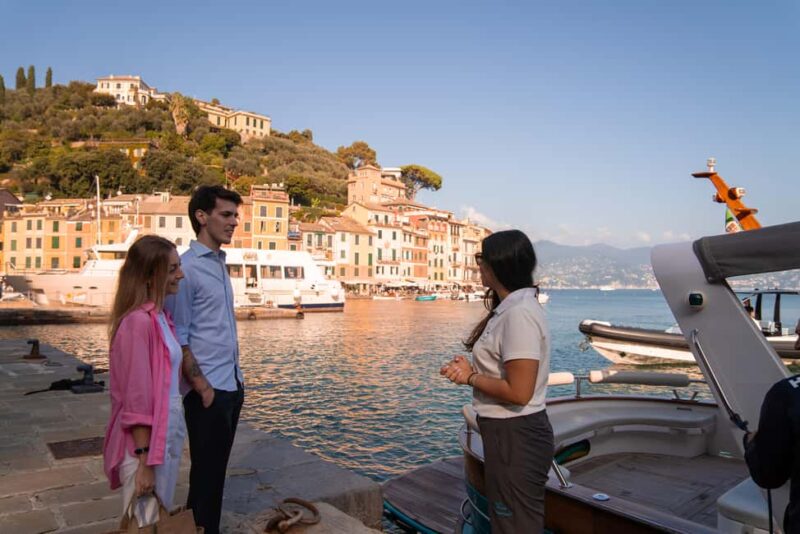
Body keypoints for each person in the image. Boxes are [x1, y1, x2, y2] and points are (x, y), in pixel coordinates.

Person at [440, 229, 553, 533]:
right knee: (510, 521)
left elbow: (519, 391)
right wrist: (472, 368)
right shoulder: (512, 310)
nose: (478, 266)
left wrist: (470, 377)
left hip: (515, 435)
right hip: (511, 434)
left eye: (481, 259)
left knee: (514, 524)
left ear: (497, 265)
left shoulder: (519, 315)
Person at [166, 184, 244, 534]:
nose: (234, 222)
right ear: (201, 216)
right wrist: (202, 386)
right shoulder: (187, 270)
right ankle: (201, 528)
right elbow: (179, 333)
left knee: (214, 473)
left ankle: (199, 528)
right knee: (207, 474)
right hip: (208, 389)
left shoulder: (219, 263)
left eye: (235, 215)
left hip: (231, 383)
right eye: (226, 215)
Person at [103, 235, 186, 525]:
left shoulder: (161, 318)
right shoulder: (137, 323)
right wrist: (144, 461)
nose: (181, 274)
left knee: (157, 518)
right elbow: (137, 399)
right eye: (173, 268)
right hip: (145, 446)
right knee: (145, 520)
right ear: (152, 276)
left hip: (165, 435)